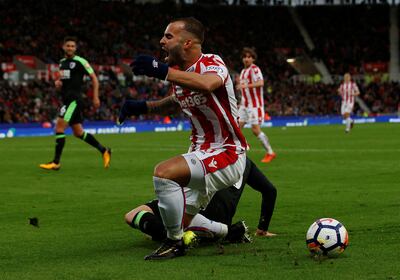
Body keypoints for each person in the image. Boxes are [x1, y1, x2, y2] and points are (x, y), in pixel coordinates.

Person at [119, 17, 247, 260]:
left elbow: (208, 85)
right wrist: (142, 107)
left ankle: (174, 243)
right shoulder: (180, 75)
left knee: (163, 172)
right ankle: (230, 232)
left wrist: (163, 71)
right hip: (199, 152)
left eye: (168, 36)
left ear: (188, 42)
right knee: (182, 221)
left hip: (228, 152)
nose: (161, 41)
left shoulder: (211, 63)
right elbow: (173, 102)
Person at [124, 157, 277, 245]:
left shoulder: (204, 154)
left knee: (132, 215)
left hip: (199, 207)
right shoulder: (245, 162)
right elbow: (270, 191)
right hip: (223, 217)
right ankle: (221, 231)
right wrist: (262, 229)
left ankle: (170, 235)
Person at [39, 36, 111, 170]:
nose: (70, 48)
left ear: (75, 48)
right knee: (78, 132)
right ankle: (104, 151)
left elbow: (94, 79)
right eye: (68, 46)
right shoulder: (61, 63)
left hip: (74, 101)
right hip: (67, 100)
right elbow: (63, 80)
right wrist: (58, 83)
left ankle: (56, 162)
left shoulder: (81, 61)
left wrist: (96, 97)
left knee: (59, 129)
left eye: (72, 46)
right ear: (63, 47)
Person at [236, 47, 275, 163]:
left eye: (249, 57)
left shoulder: (255, 69)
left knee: (255, 130)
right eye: (244, 57)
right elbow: (244, 91)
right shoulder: (243, 72)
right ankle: (241, 147)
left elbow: (260, 82)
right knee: (236, 128)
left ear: (253, 59)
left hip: (255, 105)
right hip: (244, 105)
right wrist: (241, 103)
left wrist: (245, 86)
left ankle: (270, 152)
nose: (246, 59)